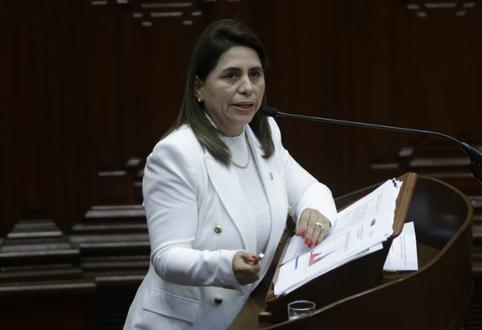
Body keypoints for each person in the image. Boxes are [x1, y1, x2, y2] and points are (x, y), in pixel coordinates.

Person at [123, 19, 337, 329]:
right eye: (231, 75)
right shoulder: (177, 153)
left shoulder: (264, 136)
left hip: (242, 317)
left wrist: (316, 212)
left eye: (255, 74)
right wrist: (226, 265)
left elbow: (309, 189)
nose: (248, 87)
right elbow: (167, 256)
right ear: (199, 87)